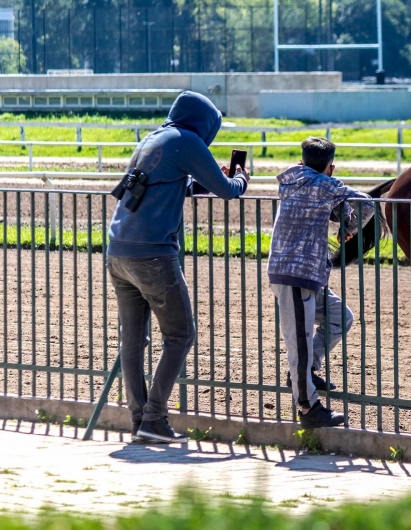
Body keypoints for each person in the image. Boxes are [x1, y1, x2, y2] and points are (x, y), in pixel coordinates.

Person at [107, 91, 250, 444]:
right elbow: (229, 191)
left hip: (119, 250)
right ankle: (155, 417)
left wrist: (205, 180)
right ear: (205, 122)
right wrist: (243, 177)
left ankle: (140, 418)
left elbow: (170, 185)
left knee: (133, 341)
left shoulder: (153, 138)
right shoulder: (188, 140)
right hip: (153, 255)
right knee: (181, 334)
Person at [268, 137, 373, 429]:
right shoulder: (328, 186)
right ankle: (308, 407)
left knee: (341, 317)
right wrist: (347, 228)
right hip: (297, 274)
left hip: (300, 271)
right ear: (331, 167)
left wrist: (338, 214)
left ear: (302, 161)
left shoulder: (288, 179)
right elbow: (366, 204)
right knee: (298, 343)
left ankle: (307, 372)